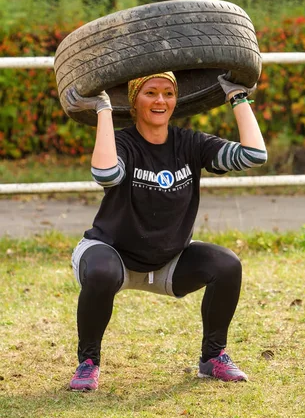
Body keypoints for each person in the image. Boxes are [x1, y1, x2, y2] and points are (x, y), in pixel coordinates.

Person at [65, 70, 267, 391]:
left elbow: (254, 155)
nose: (161, 100)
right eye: (150, 93)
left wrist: (238, 97)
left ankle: (213, 358)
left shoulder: (190, 143)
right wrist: (103, 109)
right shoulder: (123, 143)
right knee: (102, 272)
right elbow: (105, 174)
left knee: (227, 265)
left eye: (168, 93)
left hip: (167, 263)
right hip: (112, 256)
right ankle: (88, 362)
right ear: (133, 102)